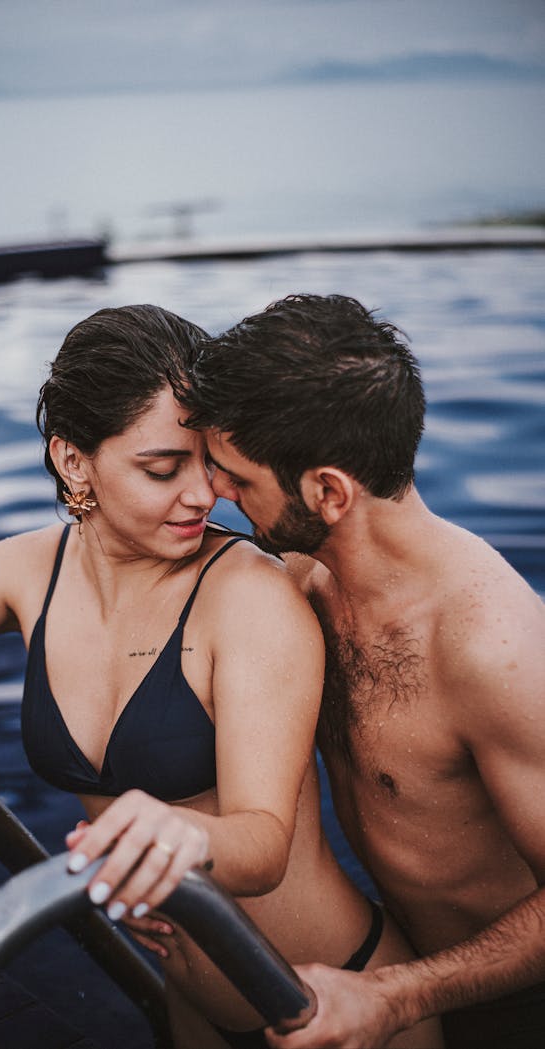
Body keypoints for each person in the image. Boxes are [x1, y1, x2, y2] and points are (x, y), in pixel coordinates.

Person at [0, 304, 440, 1049]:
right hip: (192, 1009)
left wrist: (168, 834)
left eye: (209, 463)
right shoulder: (28, 572)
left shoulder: (248, 595)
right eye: (163, 468)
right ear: (73, 460)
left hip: (323, 1003)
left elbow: (261, 846)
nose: (202, 494)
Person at [182, 291, 545, 1049]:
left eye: (238, 479)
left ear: (328, 491)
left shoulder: (488, 645)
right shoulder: (303, 581)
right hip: (398, 957)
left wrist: (395, 994)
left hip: (515, 1001)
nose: (214, 492)